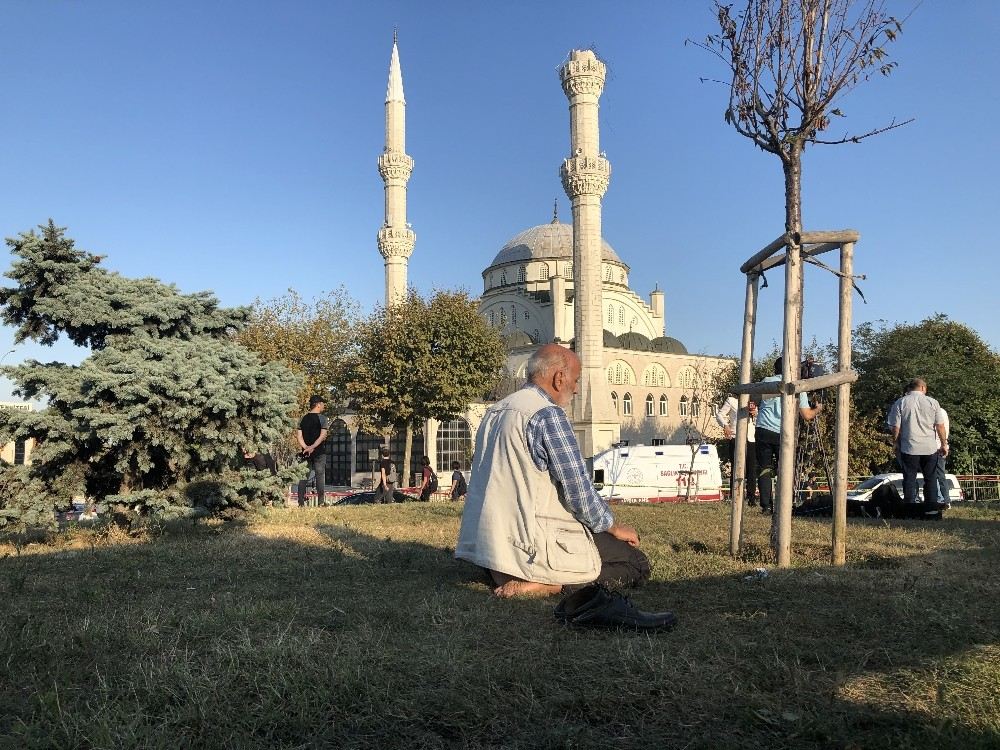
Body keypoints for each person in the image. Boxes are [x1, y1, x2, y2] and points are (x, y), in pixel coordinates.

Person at [455, 343, 652, 599]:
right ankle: (551, 585)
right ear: (559, 378)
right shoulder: (547, 414)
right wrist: (613, 526)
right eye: (576, 380)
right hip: (530, 546)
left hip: (490, 550)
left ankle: (520, 576)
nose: (577, 388)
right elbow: (578, 491)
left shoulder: (495, 411)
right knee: (636, 564)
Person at [753, 357, 822, 514]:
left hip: (762, 429)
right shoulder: (797, 386)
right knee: (784, 469)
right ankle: (785, 504)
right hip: (782, 432)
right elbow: (806, 415)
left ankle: (766, 506)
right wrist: (817, 409)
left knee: (765, 469)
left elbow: (756, 400)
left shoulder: (767, 381)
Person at [887, 378, 948, 510]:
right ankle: (931, 506)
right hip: (929, 447)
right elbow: (940, 426)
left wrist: (896, 443)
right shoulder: (933, 402)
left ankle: (909, 507)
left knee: (909, 478)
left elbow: (895, 427)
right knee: (930, 478)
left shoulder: (900, 402)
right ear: (922, 388)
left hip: (909, 447)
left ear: (911, 388)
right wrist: (944, 444)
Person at [715, 395, 757, 506]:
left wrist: (755, 414)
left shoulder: (752, 401)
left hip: (750, 438)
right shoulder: (732, 401)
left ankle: (751, 498)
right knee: (736, 467)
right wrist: (725, 425)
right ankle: (736, 496)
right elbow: (720, 414)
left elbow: (756, 419)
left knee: (751, 469)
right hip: (736, 437)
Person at [296, 395, 329, 507]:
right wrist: (313, 447)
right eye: (323, 403)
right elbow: (322, 436)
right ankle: (320, 502)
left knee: (303, 477)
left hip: (305, 453)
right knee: (320, 475)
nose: (324, 406)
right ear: (318, 404)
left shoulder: (302, 418)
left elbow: (299, 436)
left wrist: (306, 447)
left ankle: (300, 503)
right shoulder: (323, 418)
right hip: (319, 452)